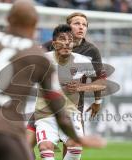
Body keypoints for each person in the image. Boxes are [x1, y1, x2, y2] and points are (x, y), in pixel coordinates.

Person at [0, 1, 106, 160]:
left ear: (8, 19)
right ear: (35, 24)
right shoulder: (36, 54)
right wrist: (79, 138)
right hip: (6, 130)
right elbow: (55, 102)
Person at [27, 12, 106, 155]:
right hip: (46, 106)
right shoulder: (49, 47)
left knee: (73, 148)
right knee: (27, 144)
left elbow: (100, 81)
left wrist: (95, 99)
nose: (81, 27)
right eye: (77, 23)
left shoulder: (91, 52)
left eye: (84, 25)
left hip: (73, 107)